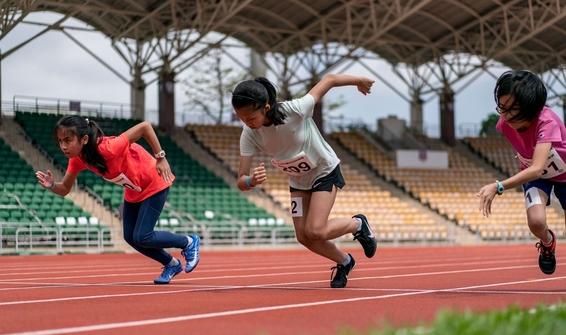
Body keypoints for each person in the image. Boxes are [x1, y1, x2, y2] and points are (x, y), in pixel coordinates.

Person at [231, 74, 377, 288]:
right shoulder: (249, 134)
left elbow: (329, 79)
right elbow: (241, 181)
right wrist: (251, 180)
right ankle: (345, 262)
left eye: (250, 118)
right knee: (304, 236)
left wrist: (358, 81)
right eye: (241, 118)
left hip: (323, 170)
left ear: (266, 107)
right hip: (298, 179)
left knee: (316, 231)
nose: (247, 123)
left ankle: (358, 224)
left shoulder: (294, 109)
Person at [35, 115, 200, 284]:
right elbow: (65, 189)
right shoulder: (77, 160)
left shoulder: (108, 148)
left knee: (143, 236)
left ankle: (188, 242)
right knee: (130, 237)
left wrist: (160, 157)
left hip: (154, 181)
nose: (63, 146)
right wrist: (52, 186)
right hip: (134, 190)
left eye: (68, 140)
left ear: (84, 139)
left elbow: (145, 127)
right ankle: (171, 264)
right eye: (60, 141)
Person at [477, 70, 566, 290]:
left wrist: (499, 186)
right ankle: (548, 242)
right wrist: (525, 153)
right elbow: (527, 150)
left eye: (513, 109)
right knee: (535, 222)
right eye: (502, 108)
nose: (506, 115)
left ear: (531, 107)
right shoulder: (504, 122)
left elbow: (536, 169)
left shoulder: (547, 121)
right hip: (537, 174)